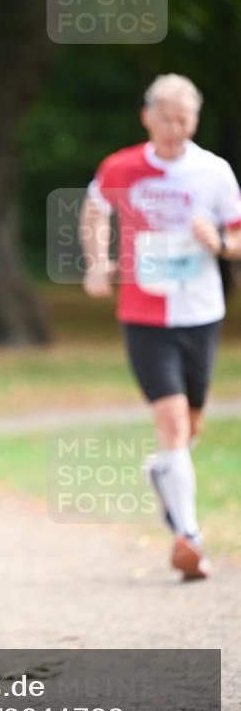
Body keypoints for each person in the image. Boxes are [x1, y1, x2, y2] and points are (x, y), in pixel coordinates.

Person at [80, 73, 241, 580]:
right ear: (147, 117)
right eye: (166, 117)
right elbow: (94, 209)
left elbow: (238, 237)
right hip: (144, 315)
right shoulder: (122, 166)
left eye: (185, 118)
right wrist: (94, 261)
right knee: (171, 422)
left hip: (200, 313)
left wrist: (216, 240)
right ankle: (188, 537)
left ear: (195, 120)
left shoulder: (214, 172)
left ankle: (161, 473)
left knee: (189, 428)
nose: (176, 128)